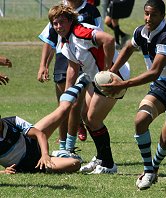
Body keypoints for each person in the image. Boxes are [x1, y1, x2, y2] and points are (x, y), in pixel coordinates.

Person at [101, 0, 166, 190]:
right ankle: (148, 170)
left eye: (153, 15)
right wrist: (112, 71)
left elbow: (154, 72)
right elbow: (129, 47)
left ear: (162, 16)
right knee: (140, 121)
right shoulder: (141, 32)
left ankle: (154, 167)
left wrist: (124, 83)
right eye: (146, 13)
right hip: (161, 86)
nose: (148, 18)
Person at [47, 3, 130, 174]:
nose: (58, 26)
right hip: (96, 79)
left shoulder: (80, 32)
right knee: (85, 115)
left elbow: (109, 39)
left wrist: (109, 71)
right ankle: (101, 157)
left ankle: (108, 164)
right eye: (55, 23)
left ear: (71, 20)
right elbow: (72, 68)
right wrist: (67, 97)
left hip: (115, 78)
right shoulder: (65, 40)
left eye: (62, 22)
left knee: (93, 119)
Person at [38, 0, 103, 149]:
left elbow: (100, 38)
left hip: (84, 59)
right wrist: (43, 65)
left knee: (75, 106)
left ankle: (69, 146)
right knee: (64, 104)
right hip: (63, 58)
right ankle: (63, 146)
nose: (59, 25)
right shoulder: (58, 11)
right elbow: (49, 40)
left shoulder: (91, 11)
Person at [0, 73, 91, 174]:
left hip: (33, 142)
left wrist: (45, 155)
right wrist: (3, 171)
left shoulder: (13, 121)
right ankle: (58, 157)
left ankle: (83, 81)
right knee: (75, 163)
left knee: (64, 110)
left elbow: (39, 134)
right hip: (32, 164)